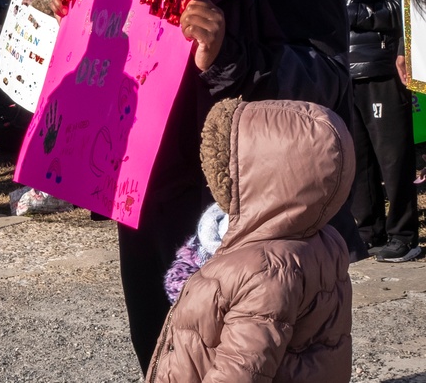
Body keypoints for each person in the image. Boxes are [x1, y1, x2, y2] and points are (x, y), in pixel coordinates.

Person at [127, 0, 360, 374]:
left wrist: (233, 58)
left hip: (238, 216)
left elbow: (328, 78)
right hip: (150, 203)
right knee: (161, 355)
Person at [147, 99, 354, 382]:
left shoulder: (263, 271)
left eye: (222, 164)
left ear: (260, 175)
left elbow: (241, 372)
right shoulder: (321, 238)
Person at [334, 0, 420, 262]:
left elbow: (398, 10)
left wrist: (350, 13)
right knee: (357, 159)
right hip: (343, 70)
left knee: (392, 156)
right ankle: (368, 230)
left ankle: (404, 235)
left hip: (382, 68)